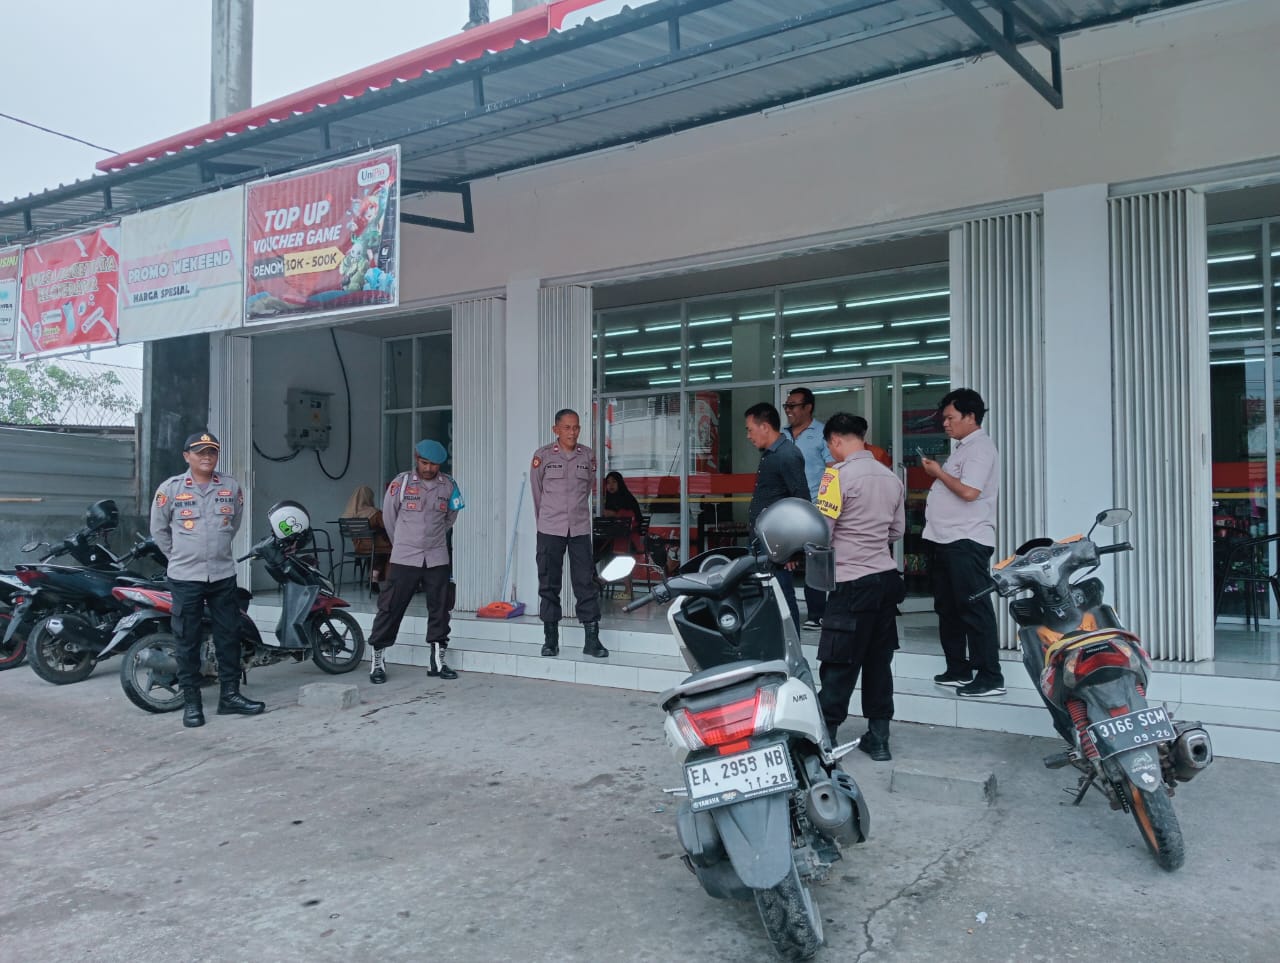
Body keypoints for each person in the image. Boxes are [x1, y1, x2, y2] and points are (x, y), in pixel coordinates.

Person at [150, 430, 264, 728]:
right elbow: (159, 531)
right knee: (187, 640)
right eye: (200, 452)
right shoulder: (170, 489)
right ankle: (192, 703)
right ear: (187, 456)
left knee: (229, 636)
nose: (207, 457)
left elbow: (233, 523)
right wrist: (179, 556)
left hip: (222, 574)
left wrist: (215, 551)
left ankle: (230, 696)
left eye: (212, 452)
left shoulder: (230, 486)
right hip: (185, 577)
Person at [815, 413, 906, 760]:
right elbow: (896, 532)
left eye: (830, 446)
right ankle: (879, 739)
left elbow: (822, 532)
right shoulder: (891, 478)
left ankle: (825, 738)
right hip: (886, 581)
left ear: (836, 440)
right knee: (878, 663)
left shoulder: (834, 477)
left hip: (850, 582)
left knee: (838, 662)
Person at [920, 387, 1005, 698]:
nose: (945, 423)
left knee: (973, 608)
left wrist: (938, 473)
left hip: (966, 539)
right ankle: (958, 668)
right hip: (944, 539)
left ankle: (990, 676)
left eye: (950, 418)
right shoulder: (962, 448)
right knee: (948, 608)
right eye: (944, 418)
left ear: (970, 417)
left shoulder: (980, 448)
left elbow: (969, 491)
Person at [366, 439, 465, 684]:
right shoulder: (401, 484)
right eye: (424, 463)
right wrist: (403, 542)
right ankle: (377, 660)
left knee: (440, 608)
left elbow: (450, 517)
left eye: (434, 464)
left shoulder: (449, 485)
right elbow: (389, 519)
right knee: (391, 607)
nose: (429, 468)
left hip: (436, 556)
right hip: (405, 557)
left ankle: (437, 661)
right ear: (416, 459)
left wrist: (432, 539)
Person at [531, 408, 607, 659]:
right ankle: (550, 640)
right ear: (556, 430)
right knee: (549, 583)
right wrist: (547, 520)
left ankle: (592, 640)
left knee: (586, 582)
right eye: (567, 427)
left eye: (576, 427)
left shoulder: (588, 456)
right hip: (549, 528)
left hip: (579, 529)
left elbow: (587, 489)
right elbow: (537, 493)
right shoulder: (542, 456)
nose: (572, 432)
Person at [745, 401, 808, 632]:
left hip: (778, 544)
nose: (748, 436)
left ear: (765, 426)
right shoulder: (770, 454)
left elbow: (800, 502)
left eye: (750, 429)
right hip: (763, 541)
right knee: (766, 600)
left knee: (782, 599)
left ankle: (792, 648)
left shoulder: (787, 455)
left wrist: (792, 549)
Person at [784, 386, 833, 631]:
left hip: (815, 508)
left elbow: (833, 470)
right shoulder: (781, 435)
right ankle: (785, 611)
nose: (788, 410)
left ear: (808, 407)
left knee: (815, 559)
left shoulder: (822, 434)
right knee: (783, 557)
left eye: (793, 406)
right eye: (786, 406)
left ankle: (817, 614)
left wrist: (826, 505)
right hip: (786, 509)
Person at [341, 484, 393, 591]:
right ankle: (380, 580)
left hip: (359, 548)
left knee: (376, 550)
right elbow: (388, 525)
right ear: (368, 497)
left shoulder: (347, 515)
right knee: (391, 549)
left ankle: (372, 578)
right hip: (377, 547)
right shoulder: (374, 513)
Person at [601, 471, 644, 554]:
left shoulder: (627, 499)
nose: (611, 485)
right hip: (614, 539)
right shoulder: (609, 500)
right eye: (608, 483)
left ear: (620, 483)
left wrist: (614, 514)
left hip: (628, 541)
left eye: (614, 482)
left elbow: (633, 519)